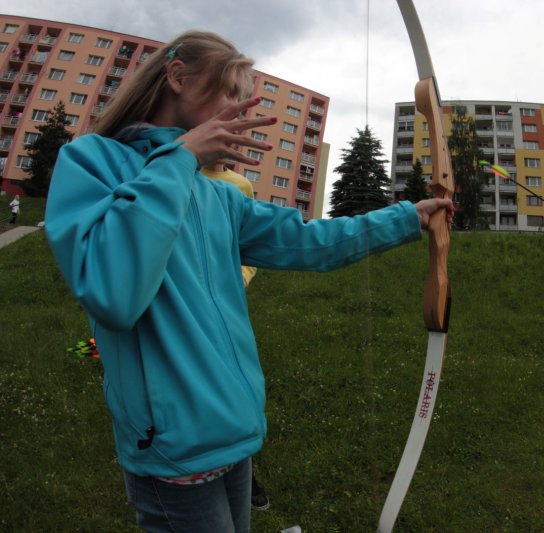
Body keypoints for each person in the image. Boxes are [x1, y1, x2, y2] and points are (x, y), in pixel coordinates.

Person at [44, 30, 453, 533]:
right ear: (177, 77)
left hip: (234, 431)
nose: (237, 110)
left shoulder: (218, 195)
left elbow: (310, 240)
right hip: (172, 448)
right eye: (230, 92)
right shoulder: (92, 161)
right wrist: (180, 159)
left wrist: (407, 217)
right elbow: (113, 293)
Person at [200, 160, 267, 510]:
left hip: (223, 306)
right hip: (179, 299)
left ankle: (243, 471)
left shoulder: (240, 185)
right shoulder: (176, 174)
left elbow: (248, 245)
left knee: (233, 385)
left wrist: (242, 275)